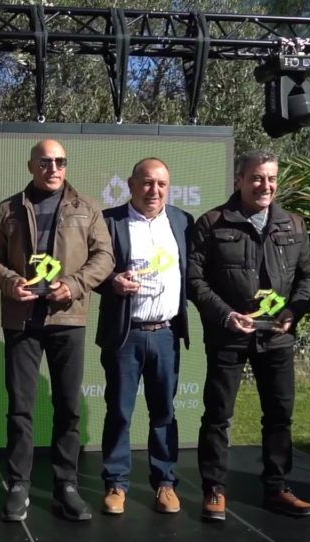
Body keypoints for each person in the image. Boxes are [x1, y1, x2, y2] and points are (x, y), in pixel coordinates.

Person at [187, 150, 310, 522]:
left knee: (279, 415)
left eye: (272, 178)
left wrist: (295, 311)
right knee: (218, 415)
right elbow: (194, 280)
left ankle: (277, 488)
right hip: (228, 335)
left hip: (277, 338)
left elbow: (307, 277)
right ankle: (214, 489)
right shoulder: (212, 222)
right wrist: (225, 315)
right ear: (240, 180)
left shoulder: (294, 224)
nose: (266, 185)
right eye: (258, 178)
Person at [0, 139, 114, 522]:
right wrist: (11, 282)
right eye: (45, 161)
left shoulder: (87, 207)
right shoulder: (8, 208)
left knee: (68, 407)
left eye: (60, 161)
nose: (54, 168)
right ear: (31, 166)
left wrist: (73, 285)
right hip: (22, 319)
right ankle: (18, 486)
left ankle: (66, 486)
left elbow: (104, 256)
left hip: (67, 317)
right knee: (21, 409)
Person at [95, 158, 194, 516]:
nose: (155, 191)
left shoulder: (182, 222)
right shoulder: (110, 221)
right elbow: (91, 269)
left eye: (162, 184)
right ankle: (116, 484)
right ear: (132, 185)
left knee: (164, 412)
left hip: (166, 333)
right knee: (120, 412)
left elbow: (193, 274)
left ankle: (165, 483)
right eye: (147, 183)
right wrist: (111, 282)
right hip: (126, 334)